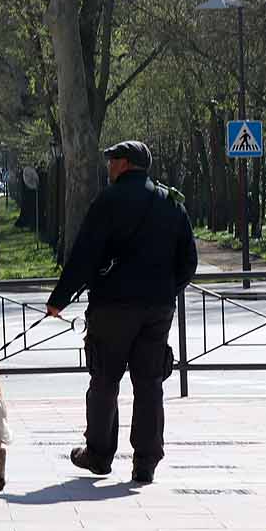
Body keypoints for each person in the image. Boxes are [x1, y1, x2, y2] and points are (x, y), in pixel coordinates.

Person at [45, 140, 197, 483]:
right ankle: (146, 462)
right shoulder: (171, 203)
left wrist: (59, 299)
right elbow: (189, 262)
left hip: (112, 308)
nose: (108, 166)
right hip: (157, 310)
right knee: (149, 383)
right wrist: (165, 291)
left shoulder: (108, 201)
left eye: (112, 160)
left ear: (125, 164)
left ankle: (98, 455)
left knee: (104, 380)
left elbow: (84, 254)